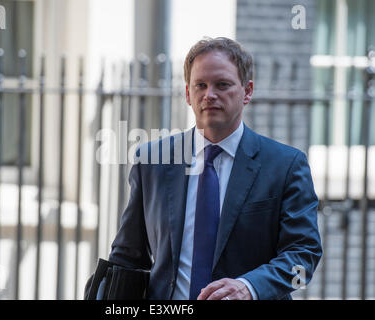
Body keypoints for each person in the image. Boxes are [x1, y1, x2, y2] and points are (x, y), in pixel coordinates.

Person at [106, 37, 322, 300]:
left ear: (248, 91)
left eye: (222, 84)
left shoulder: (285, 165)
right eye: (200, 85)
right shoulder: (152, 161)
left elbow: (303, 254)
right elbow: (127, 256)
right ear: (188, 93)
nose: (209, 95)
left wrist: (250, 287)